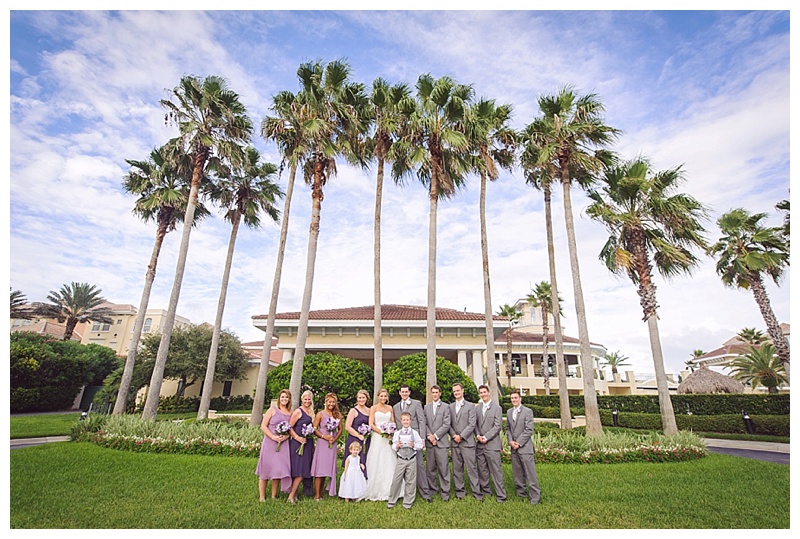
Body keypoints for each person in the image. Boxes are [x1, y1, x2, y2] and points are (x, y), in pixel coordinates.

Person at [392, 384, 430, 502]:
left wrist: (422, 438)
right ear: (399, 393)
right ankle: (403, 493)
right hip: (401, 443)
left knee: (419, 465)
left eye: (406, 392)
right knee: (402, 467)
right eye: (402, 391)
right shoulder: (396, 407)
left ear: (409, 392)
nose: (404, 393)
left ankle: (425, 493)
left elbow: (421, 420)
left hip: (414, 440)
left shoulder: (416, 403)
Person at [255, 388, 292, 501]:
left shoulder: (291, 413)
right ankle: (262, 496)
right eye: (282, 397)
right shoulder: (273, 410)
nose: (284, 399)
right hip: (270, 443)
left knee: (278, 470)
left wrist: (286, 437)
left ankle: (273, 495)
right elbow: (263, 426)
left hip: (283, 444)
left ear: (289, 399)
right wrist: (273, 437)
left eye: (286, 397)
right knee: (265, 469)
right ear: (279, 398)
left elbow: (291, 429)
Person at [506, 390, 541, 505]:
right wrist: (510, 441)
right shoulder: (509, 412)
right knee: (517, 472)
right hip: (513, 448)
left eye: (516, 398)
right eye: (512, 398)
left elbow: (529, 429)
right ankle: (521, 493)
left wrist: (519, 443)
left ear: (520, 398)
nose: (514, 400)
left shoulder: (528, 411)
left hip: (525, 448)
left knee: (530, 473)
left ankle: (535, 496)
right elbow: (508, 429)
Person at [363, 388, 397, 501]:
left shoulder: (390, 408)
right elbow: (371, 424)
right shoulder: (374, 408)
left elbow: (393, 422)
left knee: (388, 460)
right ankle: (375, 489)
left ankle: (390, 489)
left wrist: (390, 431)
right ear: (378, 396)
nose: (383, 398)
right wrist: (382, 432)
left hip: (387, 438)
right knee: (376, 460)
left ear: (387, 397)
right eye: (381, 396)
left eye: (385, 396)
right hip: (378, 437)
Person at [474, 384, 507, 502]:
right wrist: (478, 435)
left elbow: (497, 426)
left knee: (496, 470)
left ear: (489, 393)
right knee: (482, 470)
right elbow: (475, 424)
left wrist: (486, 437)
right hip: (480, 444)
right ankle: (486, 492)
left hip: (492, 444)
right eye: (481, 392)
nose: (483, 394)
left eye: (484, 392)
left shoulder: (497, 408)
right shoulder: (477, 408)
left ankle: (501, 495)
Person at [449, 382, 481, 501]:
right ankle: (460, 492)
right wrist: (454, 435)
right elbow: (449, 424)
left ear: (462, 391)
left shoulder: (470, 406)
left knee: (471, 468)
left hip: (467, 443)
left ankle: (477, 492)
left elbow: (472, 424)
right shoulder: (450, 407)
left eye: (458, 390)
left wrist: (461, 436)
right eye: (454, 391)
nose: (456, 393)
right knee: (457, 469)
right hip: (455, 443)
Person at [387, 411, 424, 509]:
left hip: (411, 459)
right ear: (401, 421)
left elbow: (420, 445)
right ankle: (391, 500)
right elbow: (393, 445)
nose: (405, 421)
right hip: (401, 459)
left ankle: (408, 502)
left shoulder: (415, 433)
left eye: (407, 420)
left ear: (410, 421)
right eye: (404, 420)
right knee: (396, 480)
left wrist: (414, 445)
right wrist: (397, 446)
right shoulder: (398, 433)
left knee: (410, 481)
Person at [309, 392, 343, 500]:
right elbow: (314, 429)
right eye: (329, 402)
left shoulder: (337, 415)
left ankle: (323, 491)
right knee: (320, 469)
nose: (331, 404)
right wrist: (324, 436)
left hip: (332, 444)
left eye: (333, 402)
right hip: (322, 444)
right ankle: (317, 495)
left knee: (328, 468)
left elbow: (341, 429)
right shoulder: (320, 414)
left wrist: (334, 439)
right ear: (325, 402)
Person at [424, 384, 451, 501]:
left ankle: (445, 492)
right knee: (430, 468)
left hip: (441, 442)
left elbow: (446, 424)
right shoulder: (426, 407)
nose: (435, 394)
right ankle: (432, 490)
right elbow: (423, 423)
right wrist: (430, 437)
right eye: (433, 392)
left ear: (440, 394)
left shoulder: (446, 407)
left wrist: (435, 436)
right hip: (430, 443)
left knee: (443, 468)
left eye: (436, 392)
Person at [287, 389, 315, 503]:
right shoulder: (298, 411)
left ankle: (295, 494)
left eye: (309, 399)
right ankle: (291, 496)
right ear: (301, 399)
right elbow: (289, 427)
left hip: (307, 443)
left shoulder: (311, 412)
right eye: (305, 399)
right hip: (297, 443)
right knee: (300, 469)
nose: (307, 401)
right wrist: (298, 438)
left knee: (304, 469)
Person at [342, 389, 371, 478]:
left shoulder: (369, 410)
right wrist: (358, 435)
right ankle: (349, 481)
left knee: (364, 460)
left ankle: (363, 483)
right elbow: (347, 426)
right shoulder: (353, 411)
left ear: (366, 399)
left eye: (363, 398)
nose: (361, 400)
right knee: (352, 462)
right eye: (359, 398)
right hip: (354, 439)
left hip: (366, 440)